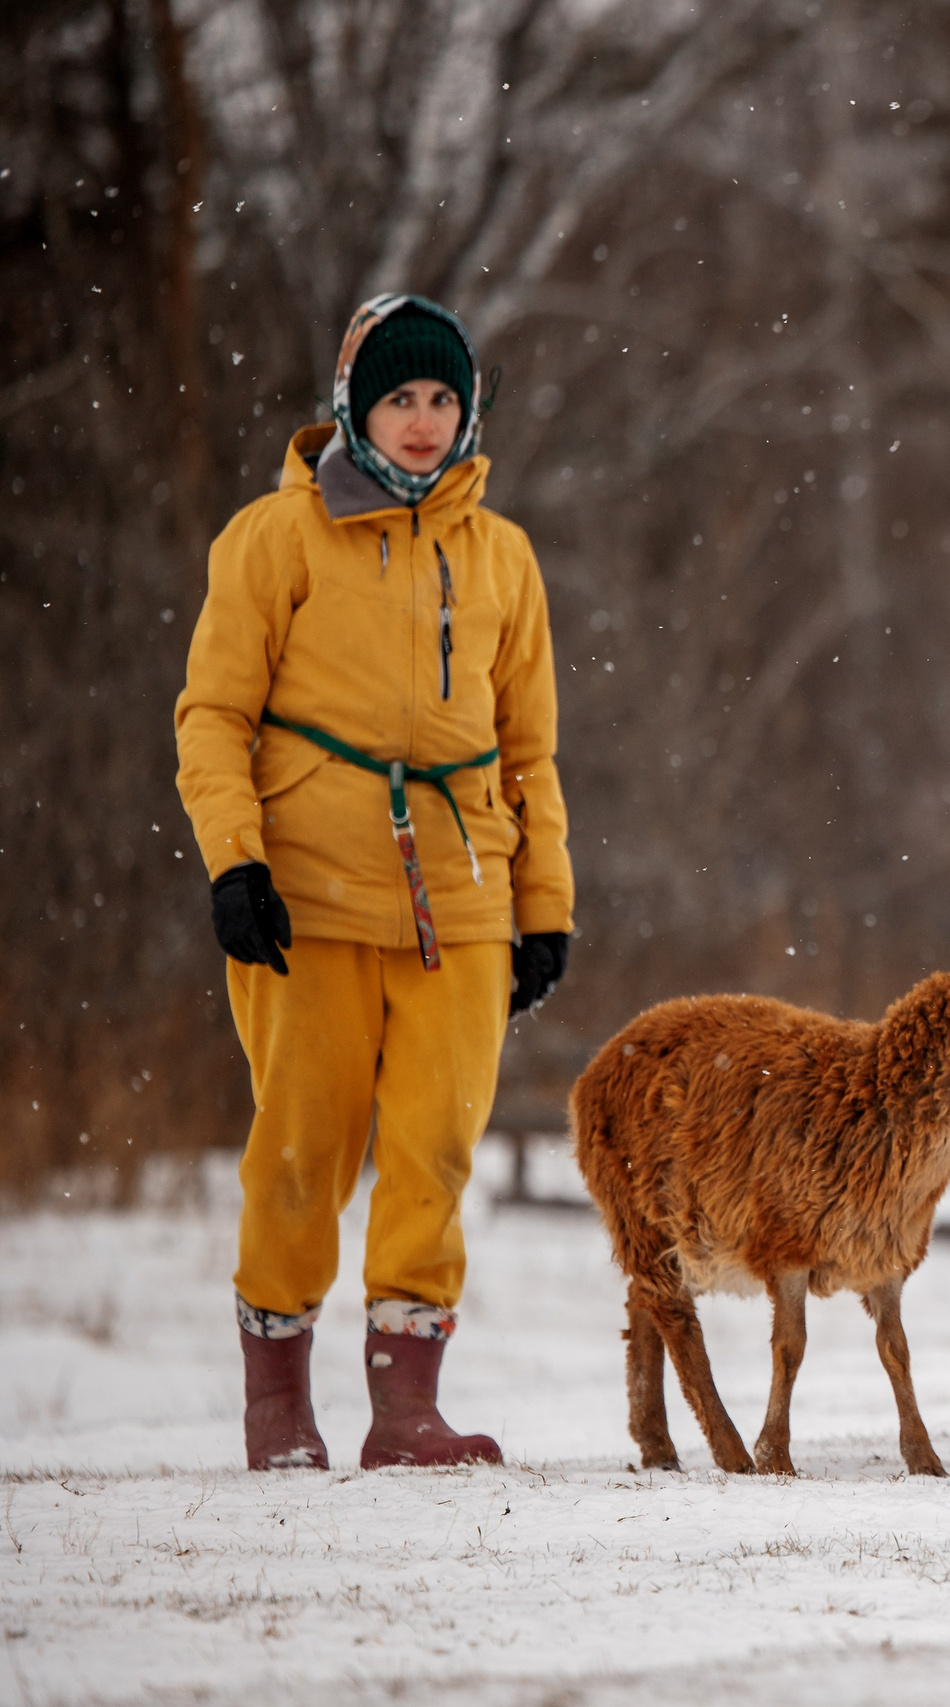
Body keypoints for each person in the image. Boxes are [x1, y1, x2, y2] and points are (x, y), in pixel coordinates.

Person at [174, 295, 574, 1470]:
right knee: (302, 1148)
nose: (422, 421)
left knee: (436, 1150)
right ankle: (277, 1406)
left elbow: (532, 750)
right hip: (307, 894)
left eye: (442, 398)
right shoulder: (274, 539)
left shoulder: (500, 554)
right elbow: (213, 716)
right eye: (398, 397)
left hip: (461, 897)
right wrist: (235, 862)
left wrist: (543, 908)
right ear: (351, 404)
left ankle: (407, 1414)